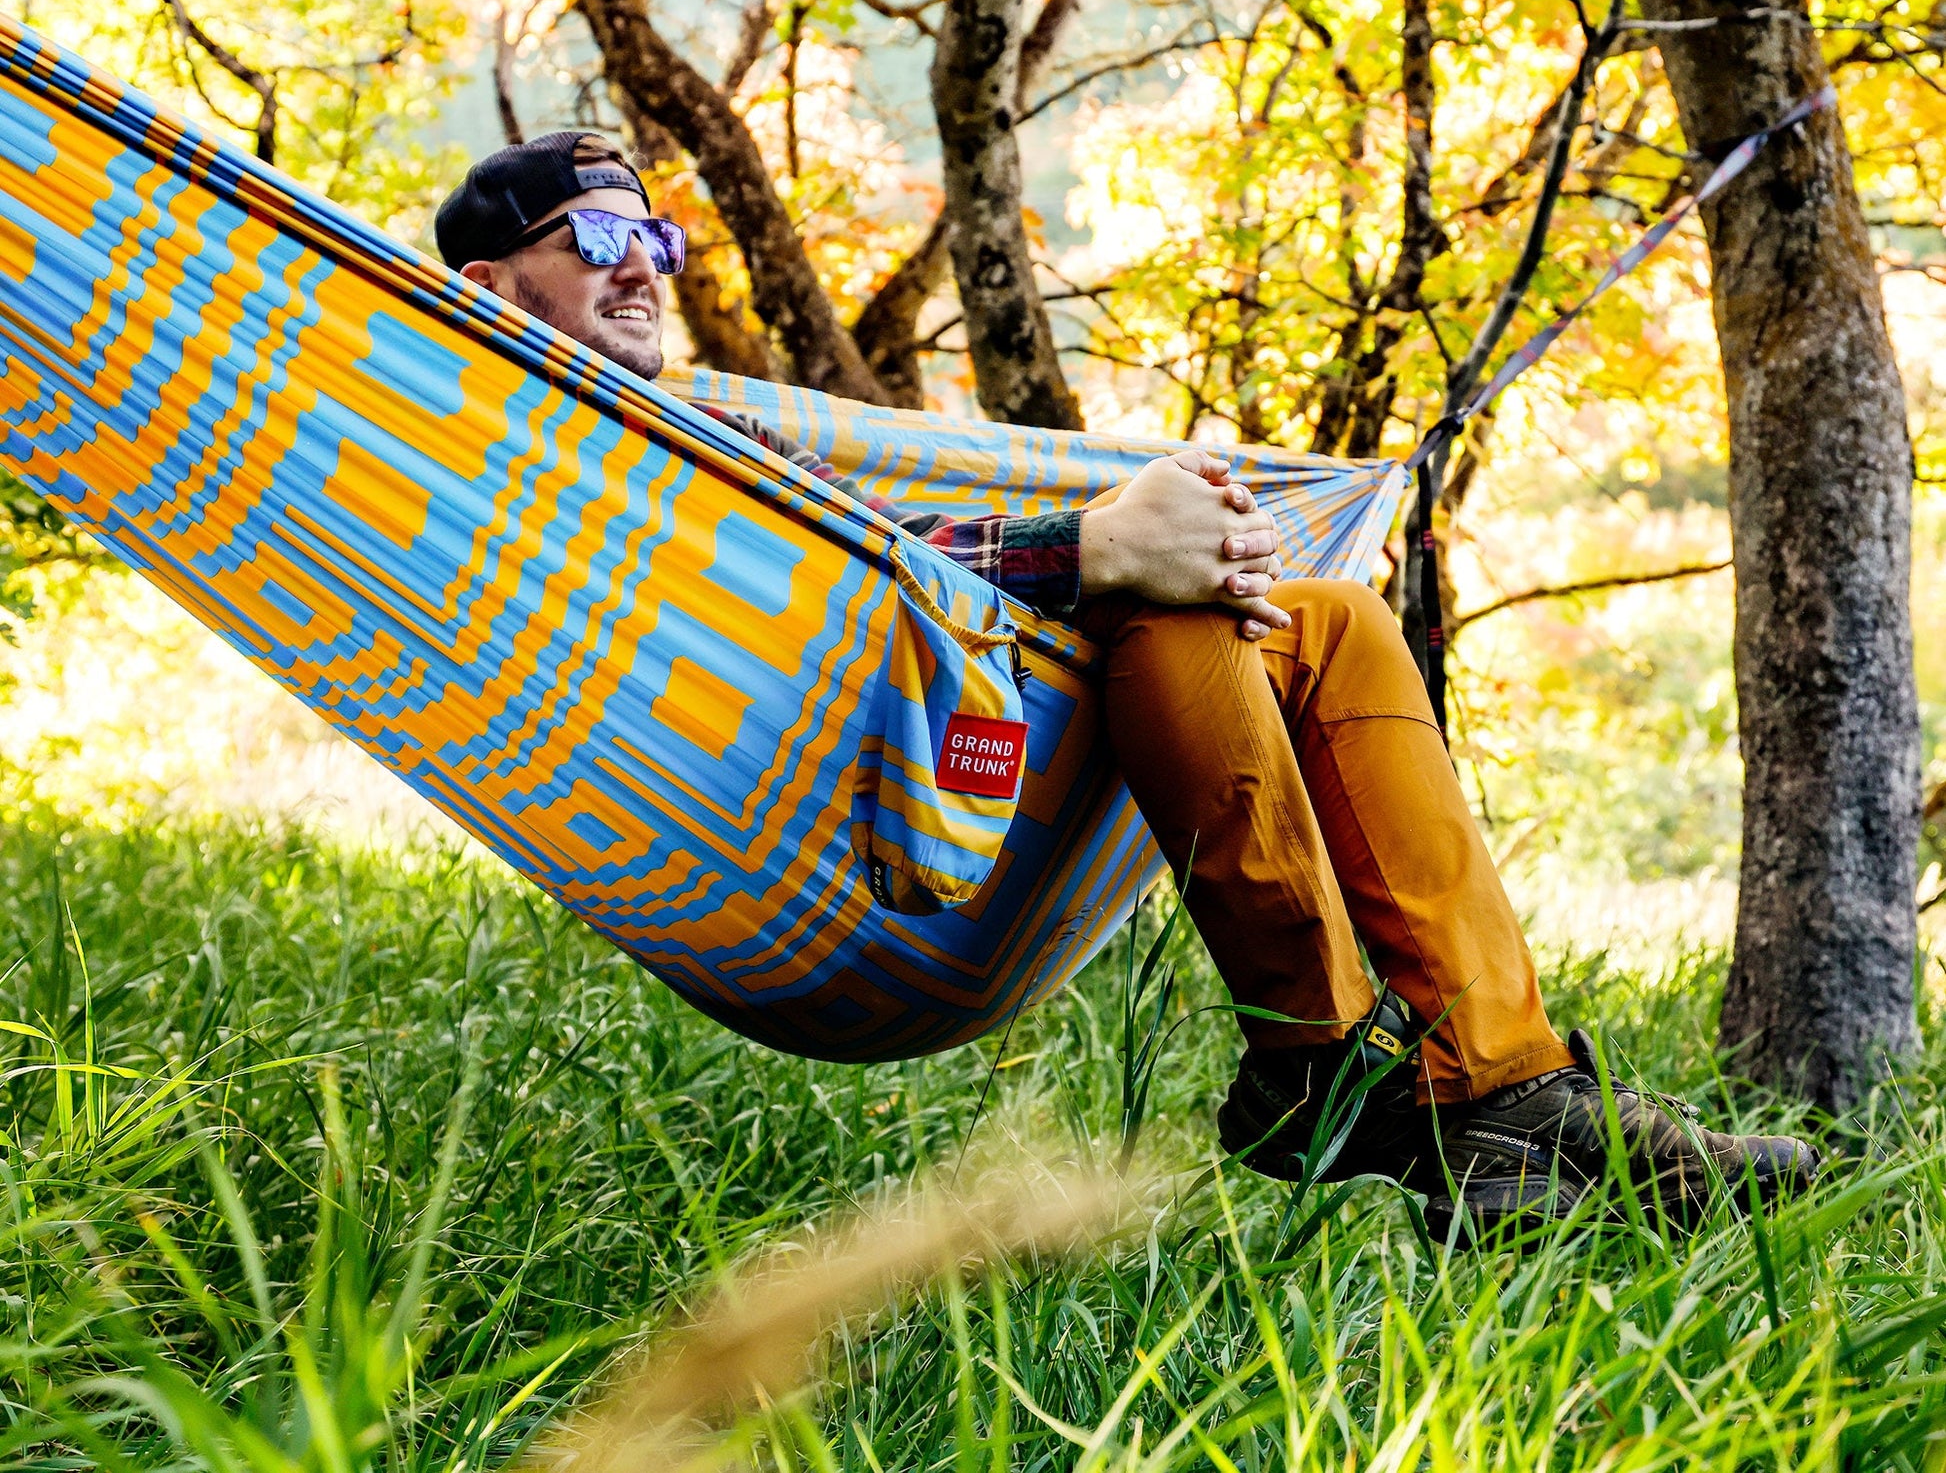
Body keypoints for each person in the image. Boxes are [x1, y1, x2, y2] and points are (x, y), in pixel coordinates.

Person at [435, 131, 1818, 1234]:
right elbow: (787, 582)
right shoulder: (505, 440)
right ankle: (1333, 1058)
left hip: (936, 714)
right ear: (489, 286)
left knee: (1322, 620)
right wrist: (1091, 547)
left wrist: (1182, 523)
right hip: (849, 798)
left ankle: (1495, 1088)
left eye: (656, 239)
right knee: (1164, 613)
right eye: (598, 240)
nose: (644, 268)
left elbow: (865, 533)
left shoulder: (708, 413)